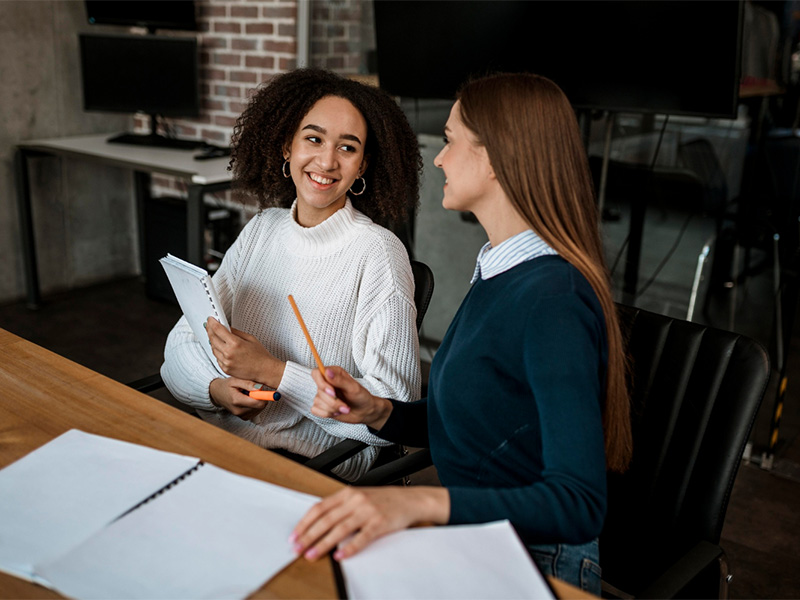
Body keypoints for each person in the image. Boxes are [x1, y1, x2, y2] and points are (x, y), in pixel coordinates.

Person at [289, 72, 633, 594]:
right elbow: (481, 425)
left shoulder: (553, 300)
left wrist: (420, 501)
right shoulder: (499, 268)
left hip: (538, 562)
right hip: (479, 539)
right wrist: (380, 413)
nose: (439, 158)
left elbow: (579, 504)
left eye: (449, 141)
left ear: (494, 157)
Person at [160, 68, 423, 482]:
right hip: (217, 440)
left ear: (363, 165)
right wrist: (214, 389)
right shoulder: (262, 229)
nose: (326, 160)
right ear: (287, 145)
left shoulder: (378, 254)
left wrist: (273, 372)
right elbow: (178, 347)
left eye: (348, 147)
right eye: (313, 138)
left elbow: (393, 407)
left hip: (311, 464)